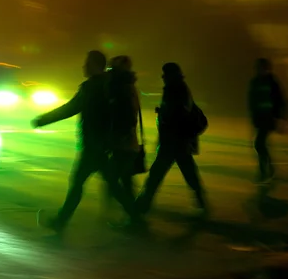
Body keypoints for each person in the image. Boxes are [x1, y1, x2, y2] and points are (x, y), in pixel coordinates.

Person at [32, 50, 135, 232]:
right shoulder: (107, 85)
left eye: (86, 62)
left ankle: (60, 222)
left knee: (78, 182)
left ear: (94, 65)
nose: (83, 66)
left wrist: (43, 120)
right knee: (111, 183)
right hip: (103, 145)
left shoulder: (92, 87)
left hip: (93, 146)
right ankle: (137, 219)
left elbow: (71, 108)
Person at [135, 62, 208, 216]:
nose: (162, 77)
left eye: (164, 74)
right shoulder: (180, 87)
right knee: (188, 171)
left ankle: (142, 205)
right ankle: (201, 201)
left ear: (170, 75)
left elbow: (178, 114)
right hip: (179, 141)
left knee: (156, 174)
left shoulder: (175, 89)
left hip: (173, 141)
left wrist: (165, 116)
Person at [104, 56, 139, 207]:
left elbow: (126, 116)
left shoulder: (121, 88)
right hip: (125, 140)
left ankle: (132, 213)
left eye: (112, 68)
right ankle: (131, 211)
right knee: (124, 178)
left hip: (122, 140)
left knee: (113, 178)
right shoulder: (126, 86)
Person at [248, 58, 286, 183]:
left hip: (268, 118)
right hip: (260, 118)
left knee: (259, 143)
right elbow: (251, 101)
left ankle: (265, 171)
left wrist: (279, 118)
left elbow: (280, 100)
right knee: (261, 144)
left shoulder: (271, 82)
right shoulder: (256, 82)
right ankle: (267, 169)